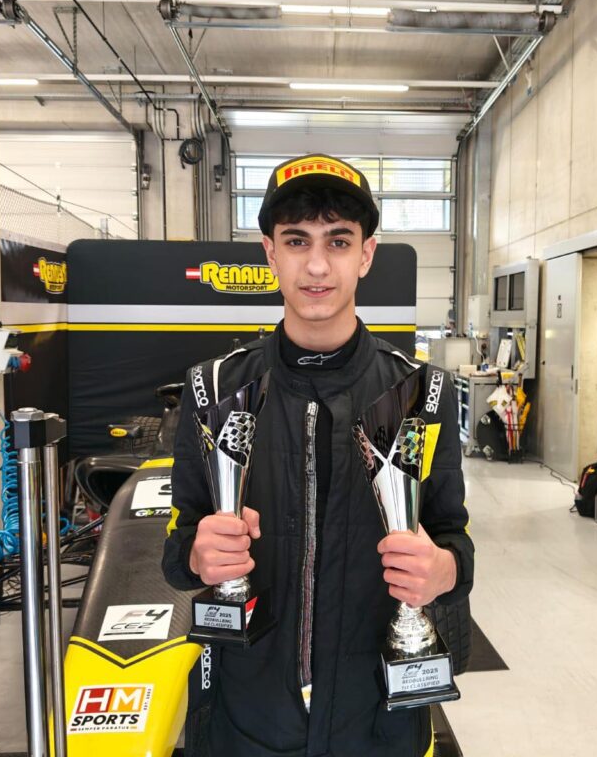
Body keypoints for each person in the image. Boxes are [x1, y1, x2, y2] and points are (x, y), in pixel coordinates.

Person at [162, 154, 474, 756]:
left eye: (338, 240)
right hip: (246, 721)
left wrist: (444, 571)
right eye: (296, 240)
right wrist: (199, 555)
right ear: (270, 253)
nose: (316, 265)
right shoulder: (213, 389)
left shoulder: (420, 394)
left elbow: (454, 541)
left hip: (376, 724)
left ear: (366, 254)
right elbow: (178, 552)